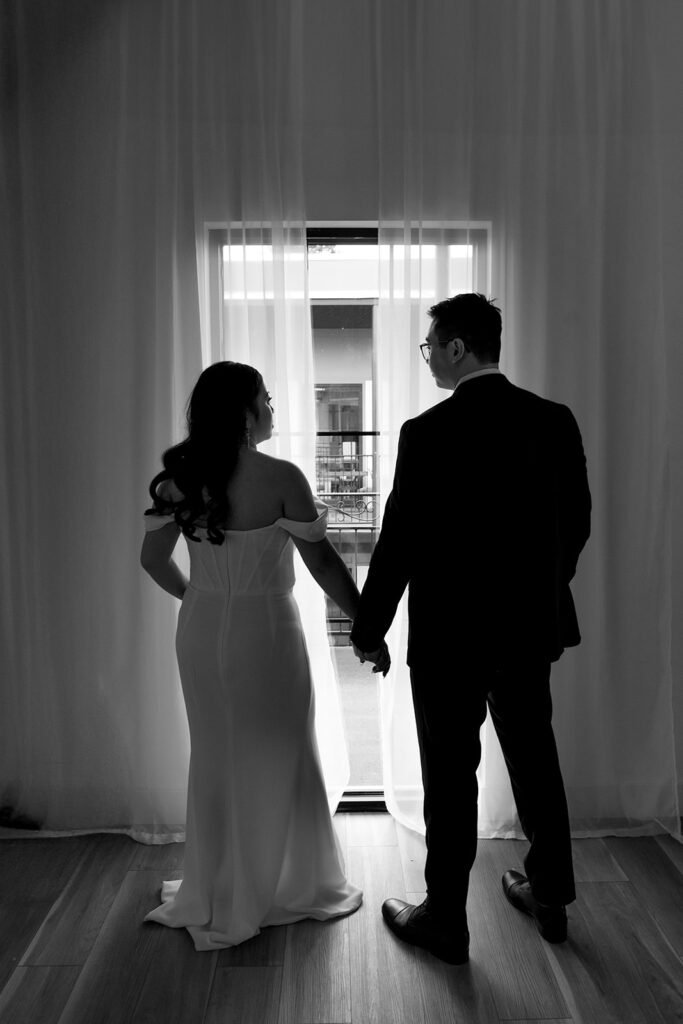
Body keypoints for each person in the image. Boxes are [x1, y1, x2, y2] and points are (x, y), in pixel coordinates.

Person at [350, 293, 591, 966]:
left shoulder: (425, 434)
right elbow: (574, 525)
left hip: (448, 639)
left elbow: (397, 543)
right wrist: (537, 593)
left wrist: (368, 630)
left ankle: (445, 922)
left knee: (450, 779)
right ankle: (550, 901)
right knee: (535, 762)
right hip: (524, 630)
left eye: (431, 347)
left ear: (457, 348)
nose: (428, 359)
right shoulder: (551, 420)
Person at [140, 360, 387, 950]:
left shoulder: (179, 478)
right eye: (266, 398)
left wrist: (200, 599)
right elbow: (323, 564)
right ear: (246, 412)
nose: (273, 407)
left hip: (201, 631)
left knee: (217, 751)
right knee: (282, 747)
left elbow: (152, 562)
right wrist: (367, 628)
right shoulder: (282, 477)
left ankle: (217, 884)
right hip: (267, 631)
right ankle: (283, 884)